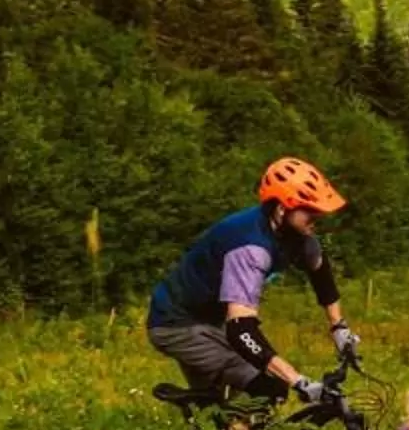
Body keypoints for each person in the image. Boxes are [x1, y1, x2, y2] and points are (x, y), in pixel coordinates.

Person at [149, 157, 362, 407]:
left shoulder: (295, 234)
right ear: (282, 209)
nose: (316, 218)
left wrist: (339, 327)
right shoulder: (251, 248)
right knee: (268, 387)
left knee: (242, 407)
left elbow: (320, 270)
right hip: (177, 325)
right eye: (309, 211)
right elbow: (241, 330)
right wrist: (299, 381)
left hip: (210, 320)